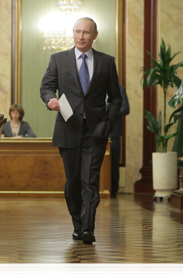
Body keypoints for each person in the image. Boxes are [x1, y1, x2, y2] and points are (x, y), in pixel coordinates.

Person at [40, 17, 122, 244]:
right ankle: (77, 224)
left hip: (95, 132)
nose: (81, 36)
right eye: (77, 31)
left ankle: (88, 229)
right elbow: (46, 86)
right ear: (73, 33)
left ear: (95, 35)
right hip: (68, 129)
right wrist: (51, 100)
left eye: (86, 32)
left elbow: (116, 98)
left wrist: (108, 125)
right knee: (73, 182)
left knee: (90, 182)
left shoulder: (107, 62)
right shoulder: (58, 59)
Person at [108, 85, 130, 198]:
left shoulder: (120, 89)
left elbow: (125, 109)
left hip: (114, 133)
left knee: (114, 163)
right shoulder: (94, 87)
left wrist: (109, 112)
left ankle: (113, 191)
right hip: (95, 132)